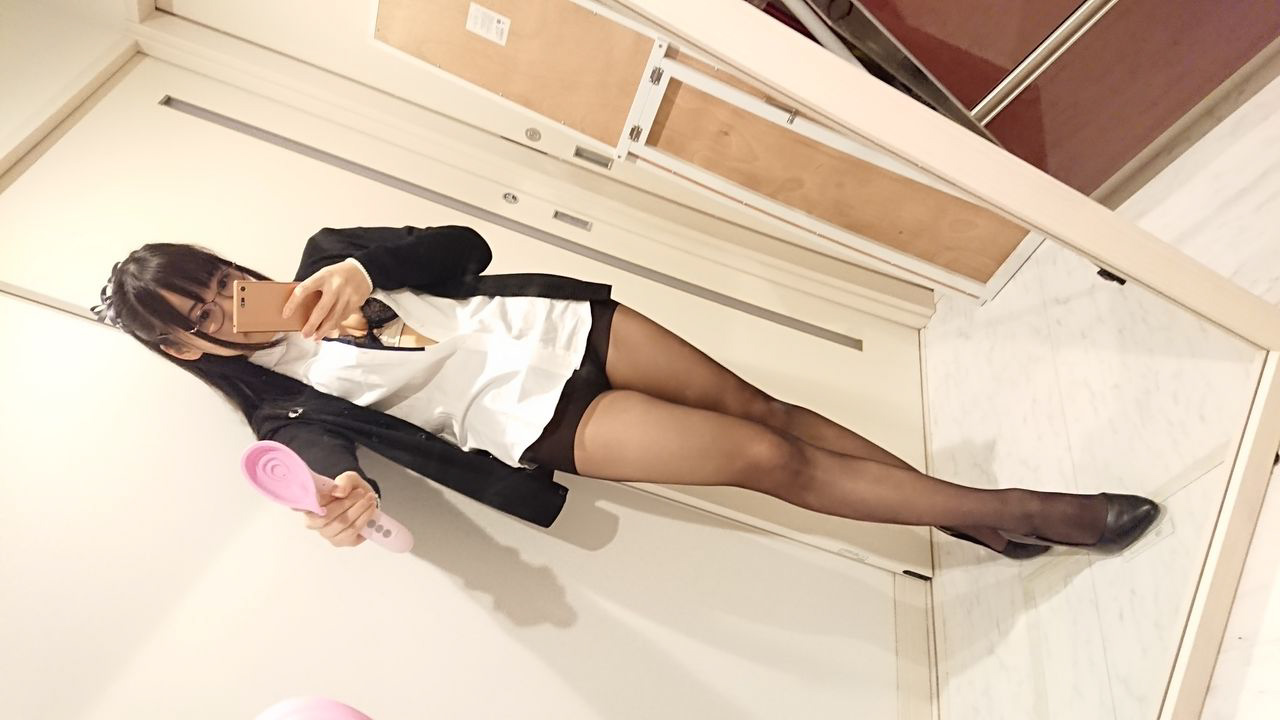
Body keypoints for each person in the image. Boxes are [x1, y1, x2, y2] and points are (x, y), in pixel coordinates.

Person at [92, 224, 1160, 557]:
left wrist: (369, 268)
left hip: (558, 326)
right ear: (187, 349)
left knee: (768, 413)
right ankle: (1024, 508)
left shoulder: (329, 257)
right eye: (206, 314)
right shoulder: (281, 410)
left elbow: (464, 247)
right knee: (766, 461)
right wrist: (348, 499)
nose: (233, 305)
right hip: (532, 414)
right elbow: (325, 464)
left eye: (221, 281)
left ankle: (966, 519)